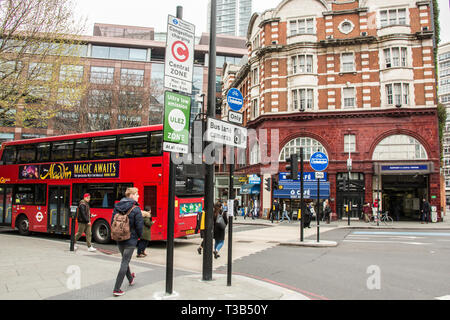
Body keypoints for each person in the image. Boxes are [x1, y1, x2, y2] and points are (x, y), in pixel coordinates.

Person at [111, 187, 143, 297]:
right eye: (137, 194)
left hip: (119, 238)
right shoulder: (136, 208)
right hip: (131, 239)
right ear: (131, 195)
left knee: (125, 259)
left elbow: (112, 221)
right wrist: (139, 237)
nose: (138, 196)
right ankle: (116, 288)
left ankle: (130, 279)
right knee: (125, 262)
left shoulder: (118, 206)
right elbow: (139, 226)